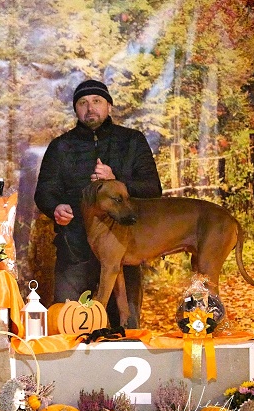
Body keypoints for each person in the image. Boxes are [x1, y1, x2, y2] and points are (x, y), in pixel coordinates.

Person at [34, 79, 162, 328]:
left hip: (122, 252)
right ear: (76, 109)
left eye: (96, 101)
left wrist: (117, 180)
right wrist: (55, 207)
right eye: (82, 102)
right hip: (75, 251)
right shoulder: (60, 146)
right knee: (68, 326)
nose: (90, 108)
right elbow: (44, 192)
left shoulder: (132, 141)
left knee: (125, 329)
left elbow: (152, 189)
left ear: (109, 106)